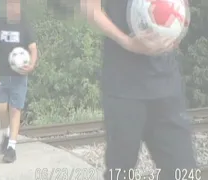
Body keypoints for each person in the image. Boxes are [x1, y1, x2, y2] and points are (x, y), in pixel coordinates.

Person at [80, 0, 197, 179]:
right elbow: (90, 10)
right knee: (120, 172)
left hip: (166, 83)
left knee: (184, 171)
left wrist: (177, 30)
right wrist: (128, 42)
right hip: (123, 86)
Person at [0, 0, 37, 163]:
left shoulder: (25, 26)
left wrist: (31, 65)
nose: (12, 8)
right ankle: (6, 133)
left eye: (15, 4)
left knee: (15, 110)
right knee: (0, 108)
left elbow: (33, 49)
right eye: (9, 5)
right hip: (1, 75)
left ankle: (11, 148)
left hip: (19, 77)